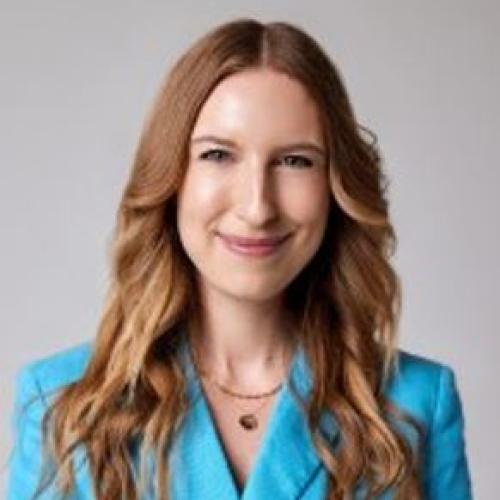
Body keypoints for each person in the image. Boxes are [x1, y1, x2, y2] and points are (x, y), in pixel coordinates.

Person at [7, 17, 473, 500]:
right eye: (218, 155)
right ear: (171, 177)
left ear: (335, 187)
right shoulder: (60, 407)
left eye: (295, 161)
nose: (257, 207)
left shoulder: (417, 406)